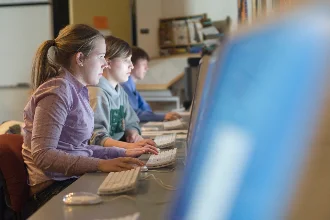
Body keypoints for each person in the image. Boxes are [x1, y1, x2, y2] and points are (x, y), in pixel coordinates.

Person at [22, 24, 148, 213]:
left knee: (133, 197)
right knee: (126, 206)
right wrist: (102, 164)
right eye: (100, 57)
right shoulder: (57, 91)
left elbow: (79, 149)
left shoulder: (77, 90)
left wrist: (120, 153)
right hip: (52, 189)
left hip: (69, 179)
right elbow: (43, 155)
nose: (105, 64)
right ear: (80, 58)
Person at [88, 36, 157, 153]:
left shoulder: (120, 90)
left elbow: (131, 121)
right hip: (100, 157)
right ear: (108, 62)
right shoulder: (97, 93)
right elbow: (96, 138)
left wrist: (133, 133)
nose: (131, 65)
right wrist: (129, 147)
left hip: (116, 152)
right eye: (126, 60)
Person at [121, 47, 182, 122]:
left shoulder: (131, 87)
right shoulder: (124, 86)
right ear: (131, 65)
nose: (147, 68)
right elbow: (135, 114)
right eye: (144, 64)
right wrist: (164, 116)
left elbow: (146, 110)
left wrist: (165, 115)